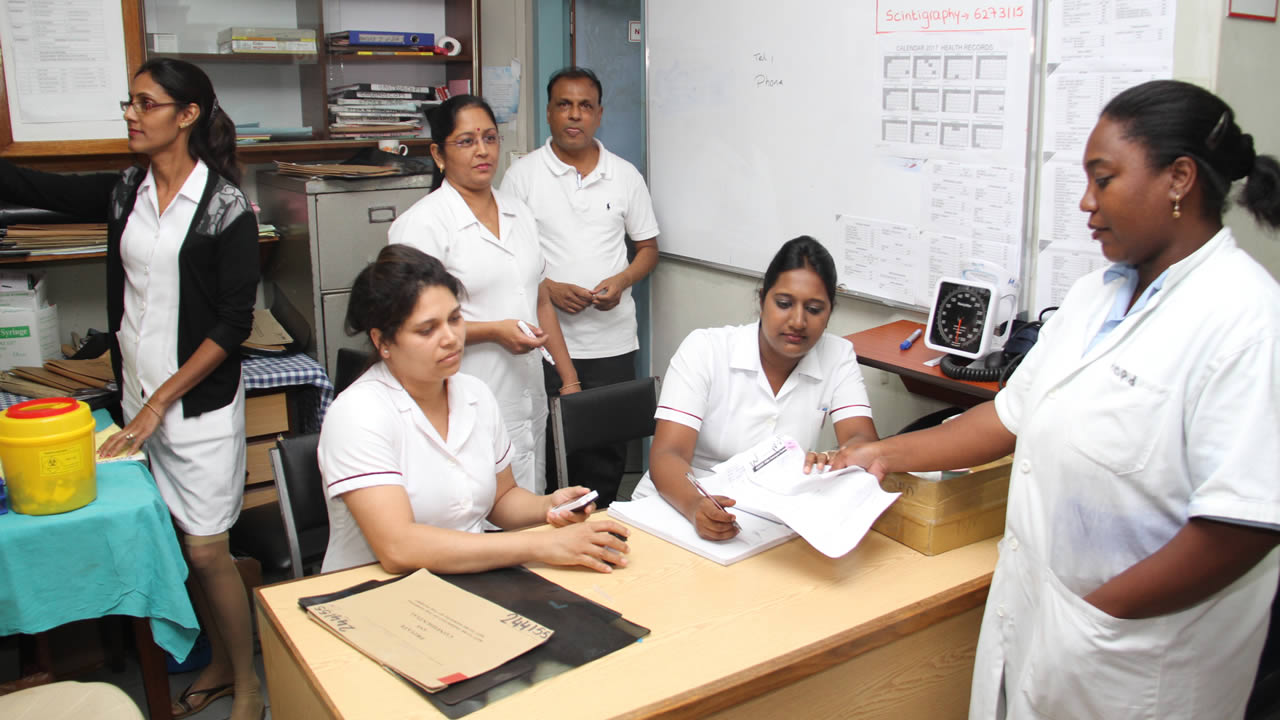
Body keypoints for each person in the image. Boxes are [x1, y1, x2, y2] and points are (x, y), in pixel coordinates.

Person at [843, 80, 1280, 719]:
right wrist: (881, 453)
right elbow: (1007, 417)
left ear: (1179, 179)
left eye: (1104, 179)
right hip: (1042, 628)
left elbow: (1241, 526)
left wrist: (1094, 620)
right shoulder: (1093, 297)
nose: (1086, 202)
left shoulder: (1247, 318)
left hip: (1134, 663)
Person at [0, 59, 263, 720]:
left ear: (188, 114)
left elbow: (233, 324)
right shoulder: (127, 191)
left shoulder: (225, 207)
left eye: (147, 103)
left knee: (208, 550)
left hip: (195, 409)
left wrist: (158, 404)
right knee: (178, 548)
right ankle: (219, 666)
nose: (131, 114)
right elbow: (35, 186)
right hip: (138, 402)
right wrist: (140, 404)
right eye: (130, 102)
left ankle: (251, 683)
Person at [318, 244, 630, 575]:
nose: (451, 338)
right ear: (382, 342)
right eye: (427, 330)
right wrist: (542, 545)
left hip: (469, 577)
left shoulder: (474, 394)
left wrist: (548, 506)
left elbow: (501, 499)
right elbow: (399, 548)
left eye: (455, 319)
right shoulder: (359, 413)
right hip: (374, 590)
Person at [388, 95, 581, 495]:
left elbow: (539, 299)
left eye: (490, 138)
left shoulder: (518, 212)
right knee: (474, 506)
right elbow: (411, 327)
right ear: (438, 154)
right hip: (459, 396)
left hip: (526, 396)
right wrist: (494, 331)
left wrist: (569, 379)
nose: (482, 150)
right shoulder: (422, 225)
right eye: (466, 141)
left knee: (527, 501)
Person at [638, 236, 879, 540]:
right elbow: (668, 454)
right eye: (784, 304)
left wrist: (838, 458)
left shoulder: (838, 355)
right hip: (680, 505)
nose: (798, 321)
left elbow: (862, 440)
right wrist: (696, 505)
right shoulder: (705, 349)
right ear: (762, 300)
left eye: (814, 309)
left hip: (768, 520)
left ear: (830, 313)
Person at [501, 66, 660, 506]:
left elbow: (648, 248)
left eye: (585, 106)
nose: (575, 115)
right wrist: (548, 288)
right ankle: (553, 532)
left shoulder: (624, 175)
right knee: (552, 453)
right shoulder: (522, 177)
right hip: (544, 345)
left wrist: (623, 280)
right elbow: (507, 258)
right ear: (549, 112)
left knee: (606, 455)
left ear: (599, 114)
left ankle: (603, 525)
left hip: (612, 344)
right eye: (564, 105)